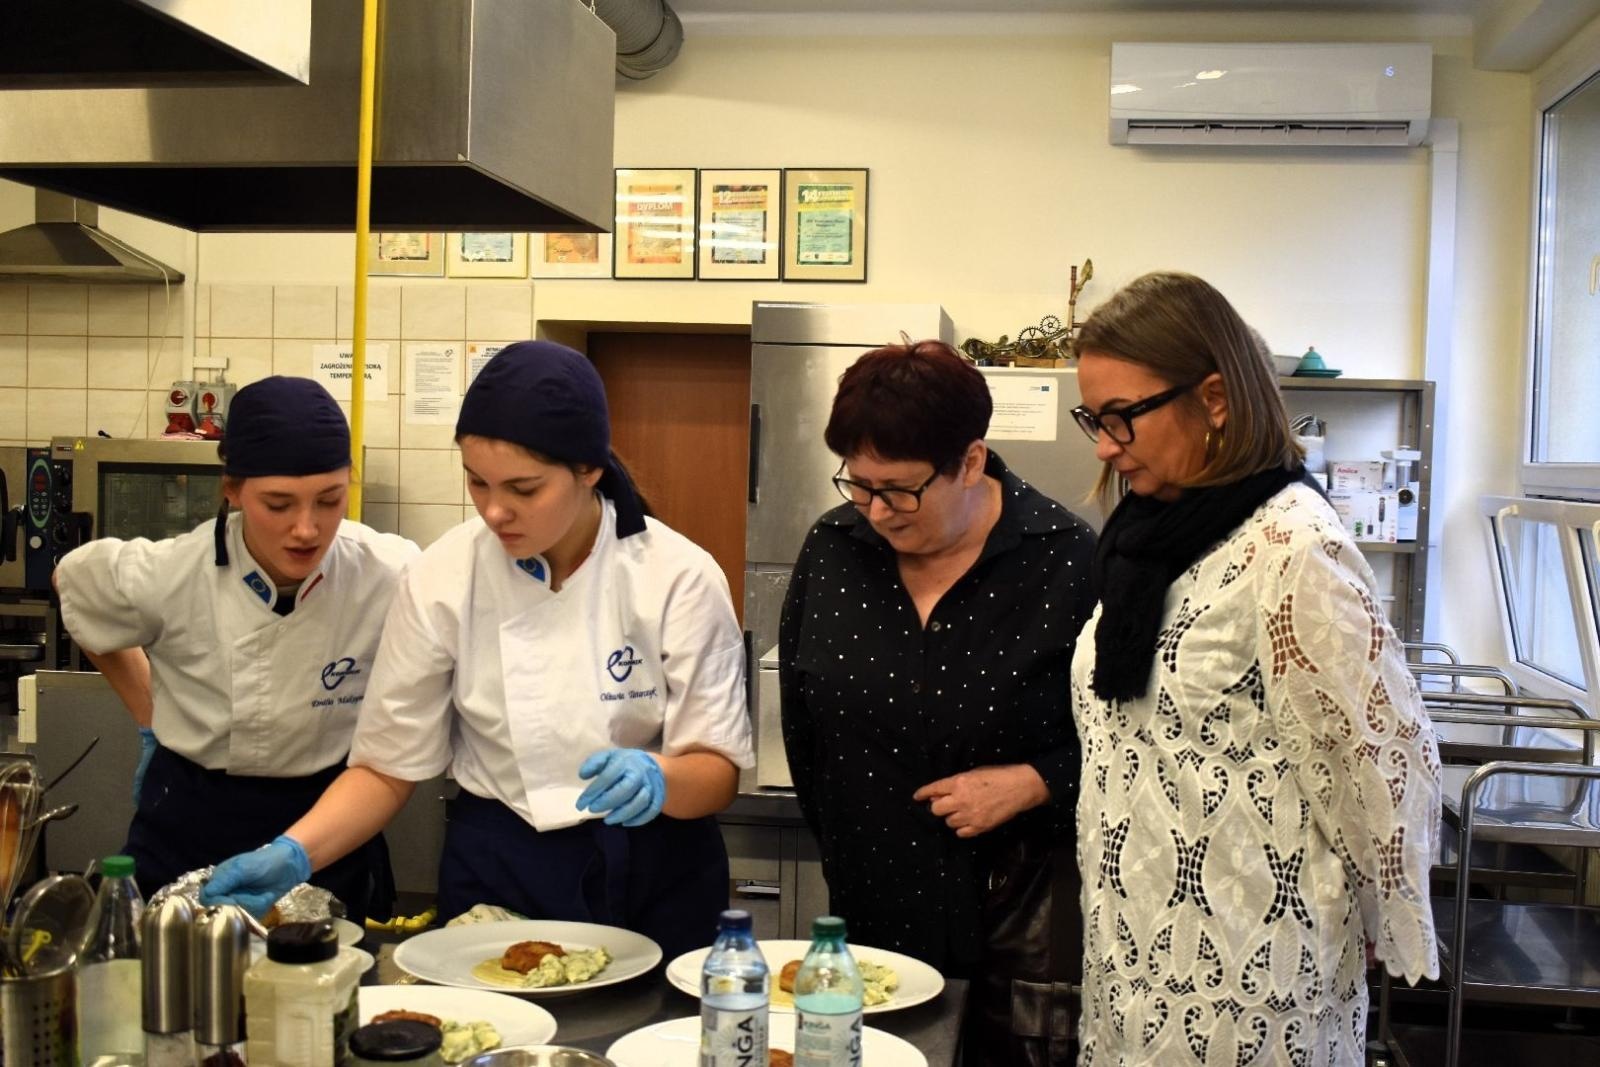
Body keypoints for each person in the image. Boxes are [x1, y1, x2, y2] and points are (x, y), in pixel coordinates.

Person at [201, 340, 754, 960]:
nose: (494, 511)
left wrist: (661, 777)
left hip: (653, 863)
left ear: (589, 469)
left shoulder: (675, 574)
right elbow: (387, 765)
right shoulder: (443, 575)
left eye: (523, 489)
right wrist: (295, 852)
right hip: (499, 864)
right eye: (477, 482)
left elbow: (717, 769)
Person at [1068, 271, 1441, 1066]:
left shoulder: (1294, 549)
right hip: (1133, 966)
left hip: (1252, 990)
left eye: (1121, 418)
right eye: (1092, 419)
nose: (1103, 446)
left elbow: (1384, 763)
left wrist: (1381, 915)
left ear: (1214, 398)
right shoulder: (1145, 538)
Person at [779, 340, 1097, 1065]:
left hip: (1019, 933)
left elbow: (1132, 743)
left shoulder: (1065, 558)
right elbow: (804, 723)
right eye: (859, 484)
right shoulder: (833, 548)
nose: (878, 510)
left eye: (899, 488)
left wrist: (1034, 781)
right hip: (867, 919)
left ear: (972, 460)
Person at [54, 377, 419, 919]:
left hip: (326, 818)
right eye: (278, 504)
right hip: (189, 812)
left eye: (329, 500)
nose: (306, 528)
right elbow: (73, 585)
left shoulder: (389, 574)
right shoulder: (170, 573)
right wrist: (149, 714)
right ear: (232, 491)